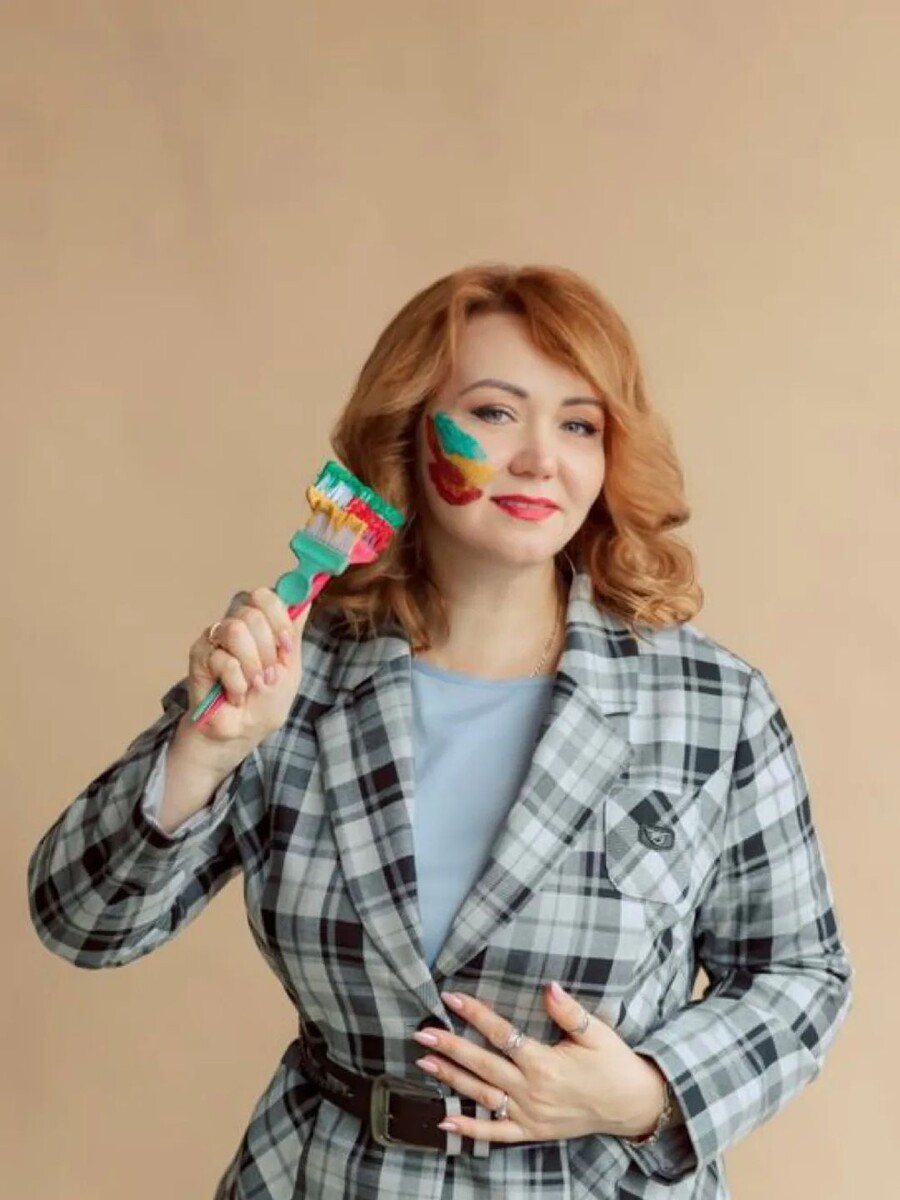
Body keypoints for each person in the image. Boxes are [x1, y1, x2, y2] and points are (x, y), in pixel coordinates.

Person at [27, 264, 852, 1200]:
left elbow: (802, 974)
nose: (540, 459)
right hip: (328, 1177)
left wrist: (648, 1094)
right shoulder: (294, 669)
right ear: (409, 432)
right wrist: (207, 748)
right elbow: (80, 921)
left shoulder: (710, 702)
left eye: (579, 425)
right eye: (495, 413)